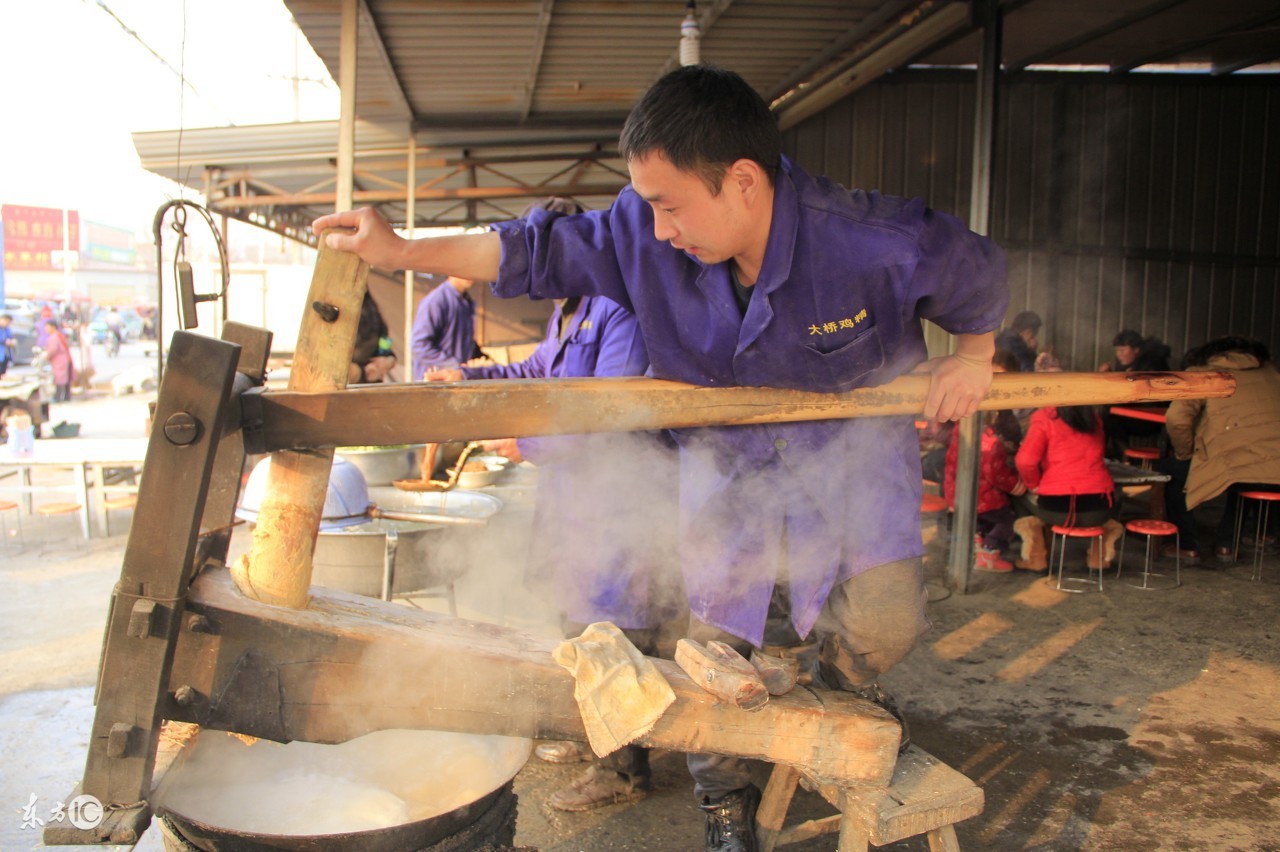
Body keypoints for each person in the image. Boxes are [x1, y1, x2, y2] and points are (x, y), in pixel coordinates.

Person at [314, 65, 1007, 852]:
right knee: (710, 654)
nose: (662, 228)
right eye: (650, 206)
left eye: (672, 205)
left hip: (852, 468)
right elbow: (535, 251)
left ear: (743, 182)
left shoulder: (866, 239)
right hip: (728, 472)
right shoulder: (641, 232)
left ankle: (845, 699)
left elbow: (977, 271)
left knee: (887, 623)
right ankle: (723, 808)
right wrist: (402, 249)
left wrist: (974, 356)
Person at [428, 197, 678, 812]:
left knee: (613, 631)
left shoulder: (621, 306)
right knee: (577, 619)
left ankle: (622, 768)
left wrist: (525, 441)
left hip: (622, 502)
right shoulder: (569, 309)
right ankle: (599, 731)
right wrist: (471, 378)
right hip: (577, 500)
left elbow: (612, 414)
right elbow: (540, 369)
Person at [1159, 337, 1280, 561]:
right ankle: (1227, 544)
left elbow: (1176, 419)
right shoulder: (1272, 372)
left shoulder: (1202, 373)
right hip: (1274, 465)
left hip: (1238, 462)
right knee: (1251, 471)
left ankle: (1187, 545)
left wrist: (1185, 454)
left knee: (1171, 471)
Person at [943, 349, 1025, 572]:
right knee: (1005, 518)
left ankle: (976, 545)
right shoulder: (974, 420)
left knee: (977, 519)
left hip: (961, 487)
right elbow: (994, 469)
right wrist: (1018, 486)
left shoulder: (973, 421)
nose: (995, 384)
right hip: (982, 491)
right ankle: (988, 553)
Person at [1013, 405, 1123, 571]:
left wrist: (1033, 485)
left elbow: (1025, 460)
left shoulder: (1044, 417)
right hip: (1098, 511)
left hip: (1057, 511)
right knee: (1118, 495)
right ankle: (1098, 558)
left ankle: (1035, 558)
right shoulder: (1093, 418)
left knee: (1018, 493)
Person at [410, 275, 485, 375]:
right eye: (464, 269)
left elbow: (463, 341)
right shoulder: (436, 301)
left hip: (456, 380)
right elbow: (419, 345)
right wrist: (453, 365)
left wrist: (484, 360)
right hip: (435, 381)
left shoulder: (466, 302)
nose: (470, 274)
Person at [349, 292, 397, 384]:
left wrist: (388, 359)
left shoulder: (366, 302)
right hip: (346, 388)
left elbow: (383, 339)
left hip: (371, 383)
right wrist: (362, 373)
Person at [42, 320, 75, 402]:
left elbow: (53, 350)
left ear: (53, 327)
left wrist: (46, 356)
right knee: (65, 379)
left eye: (47, 327)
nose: (46, 329)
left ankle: (58, 397)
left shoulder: (54, 337)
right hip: (64, 358)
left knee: (59, 379)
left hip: (59, 360)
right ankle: (67, 397)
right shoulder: (59, 335)